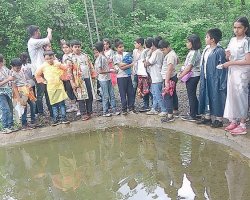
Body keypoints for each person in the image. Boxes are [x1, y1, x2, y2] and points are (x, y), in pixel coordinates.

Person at [222, 17, 250, 135]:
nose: (236, 30)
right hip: (232, 71)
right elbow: (229, 57)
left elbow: (248, 61)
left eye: (239, 27)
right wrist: (227, 56)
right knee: (232, 95)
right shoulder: (232, 40)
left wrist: (230, 62)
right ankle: (234, 119)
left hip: (242, 71)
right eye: (235, 27)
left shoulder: (246, 41)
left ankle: (243, 123)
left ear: (245, 28)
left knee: (241, 95)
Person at [198, 28, 227, 128]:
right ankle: (207, 116)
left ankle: (219, 119)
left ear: (213, 39)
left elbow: (222, 68)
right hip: (206, 77)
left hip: (215, 79)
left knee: (217, 97)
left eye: (207, 37)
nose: (205, 39)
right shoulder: (206, 49)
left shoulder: (219, 51)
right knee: (206, 95)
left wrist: (222, 81)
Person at [35, 51, 69, 126]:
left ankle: (64, 117)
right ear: (44, 59)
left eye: (51, 58)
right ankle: (55, 118)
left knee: (62, 103)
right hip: (50, 88)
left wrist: (63, 76)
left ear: (53, 57)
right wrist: (43, 81)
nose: (49, 60)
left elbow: (66, 68)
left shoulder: (57, 64)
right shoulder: (43, 66)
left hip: (59, 86)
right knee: (54, 104)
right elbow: (37, 74)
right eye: (47, 59)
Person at [27, 25, 53, 117]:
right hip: (38, 72)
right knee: (41, 93)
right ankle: (41, 112)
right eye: (38, 31)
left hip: (44, 70)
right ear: (35, 32)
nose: (40, 33)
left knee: (47, 91)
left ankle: (51, 111)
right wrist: (49, 31)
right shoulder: (32, 42)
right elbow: (49, 39)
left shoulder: (35, 42)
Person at [70, 39, 95, 121]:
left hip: (87, 78)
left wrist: (93, 74)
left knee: (90, 96)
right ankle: (83, 113)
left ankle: (89, 111)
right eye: (75, 47)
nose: (77, 48)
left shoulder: (85, 56)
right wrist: (72, 82)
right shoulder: (70, 58)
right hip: (78, 80)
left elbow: (90, 66)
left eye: (78, 47)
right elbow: (69, 72)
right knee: (81, 97)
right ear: (72, 48)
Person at [93, 41, 120, 117]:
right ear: (102, 47)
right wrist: (111, 71)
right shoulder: (100, 58)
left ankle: (114, 110)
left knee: (112, 94)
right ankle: (105, 111)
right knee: (106, 95)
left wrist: (111, 69)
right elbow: (100, 71)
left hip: (108, 78)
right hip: (103, 79)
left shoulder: (103, 56)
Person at [179, 34, 201, 122]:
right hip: (191, 75)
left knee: (191, 95)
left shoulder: (195, 53)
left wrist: (181, 75)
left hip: (193, 76)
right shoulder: (192, 52)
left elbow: (189, 67)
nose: (187, 43)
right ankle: (197, 112)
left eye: (188, 42)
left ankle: (193, 115)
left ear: (193, 43)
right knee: (192, 95)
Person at [11, 58, 36, 130]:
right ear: (12, 66)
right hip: (20, 92)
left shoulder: (21, 71)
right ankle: (24, 124)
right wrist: (19, 99)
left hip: (26, 90)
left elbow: (24, 80)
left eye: (20, 67)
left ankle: (32, 120)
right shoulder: (12, 75)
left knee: (33, 104)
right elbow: (14, 87)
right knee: (23, 107)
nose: (19, 69)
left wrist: (28, 85)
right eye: (17, 68)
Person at [145, 36, 166, 116]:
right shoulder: (160, 52)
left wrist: (148, 55)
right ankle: (154, 108)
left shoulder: (156, 52)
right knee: (154, 93)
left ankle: (164, 109)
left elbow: (147, 63)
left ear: (153, 44)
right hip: (157, 76)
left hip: (156, 77)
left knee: (157, 94)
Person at [158, 39, 179, 122]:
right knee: (173, 94)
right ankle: (175, 110)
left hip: (169, 78)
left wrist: (166, 81)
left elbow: (169, 69)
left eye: (163, 50)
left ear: (168, 47)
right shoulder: (173, 53)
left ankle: (170, 115)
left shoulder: (170, 55)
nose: (163, 52)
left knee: (167, 96)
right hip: (172, 77)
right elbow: (178, 61)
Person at [113, 39, 135, 115]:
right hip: (121, 77)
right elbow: (121, 67)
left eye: (122, 46)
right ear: (116, 48)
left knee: (130, 92)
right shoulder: (115, 56)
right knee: (123, 94)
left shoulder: (126, 54)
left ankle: (131, 107)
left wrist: (124, 64)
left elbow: (130, 61)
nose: (122, 48)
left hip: (128, 76)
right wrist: (130, 64)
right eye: (119, 47)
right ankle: (124, 109)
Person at [61, 41, 78, 113]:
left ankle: (79, 107)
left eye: (67, 47)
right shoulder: (64, 56)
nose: (65, 49)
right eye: (63, 48)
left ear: (70, 48)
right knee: (69, 91)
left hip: (73, 76)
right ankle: (73, 106)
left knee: (75, 91)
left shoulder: (72, 55)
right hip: (66, 77)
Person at [0, 54, 15, 134]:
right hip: (1, 93)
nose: (4, 62)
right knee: (5, 109)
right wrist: (8, 79)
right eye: (3, 61)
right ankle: (4, 127)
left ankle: (10, 125)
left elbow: (10, 74)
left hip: (8, 91)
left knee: (10, 108)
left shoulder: (4, 68)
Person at [138, 37, 154, 112]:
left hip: (145, 74)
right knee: (151, 89)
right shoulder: (154, 51)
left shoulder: (144, 52)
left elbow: (142, 62)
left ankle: (146, 105)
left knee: (145, 89)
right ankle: (154, 105)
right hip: (152, 73)